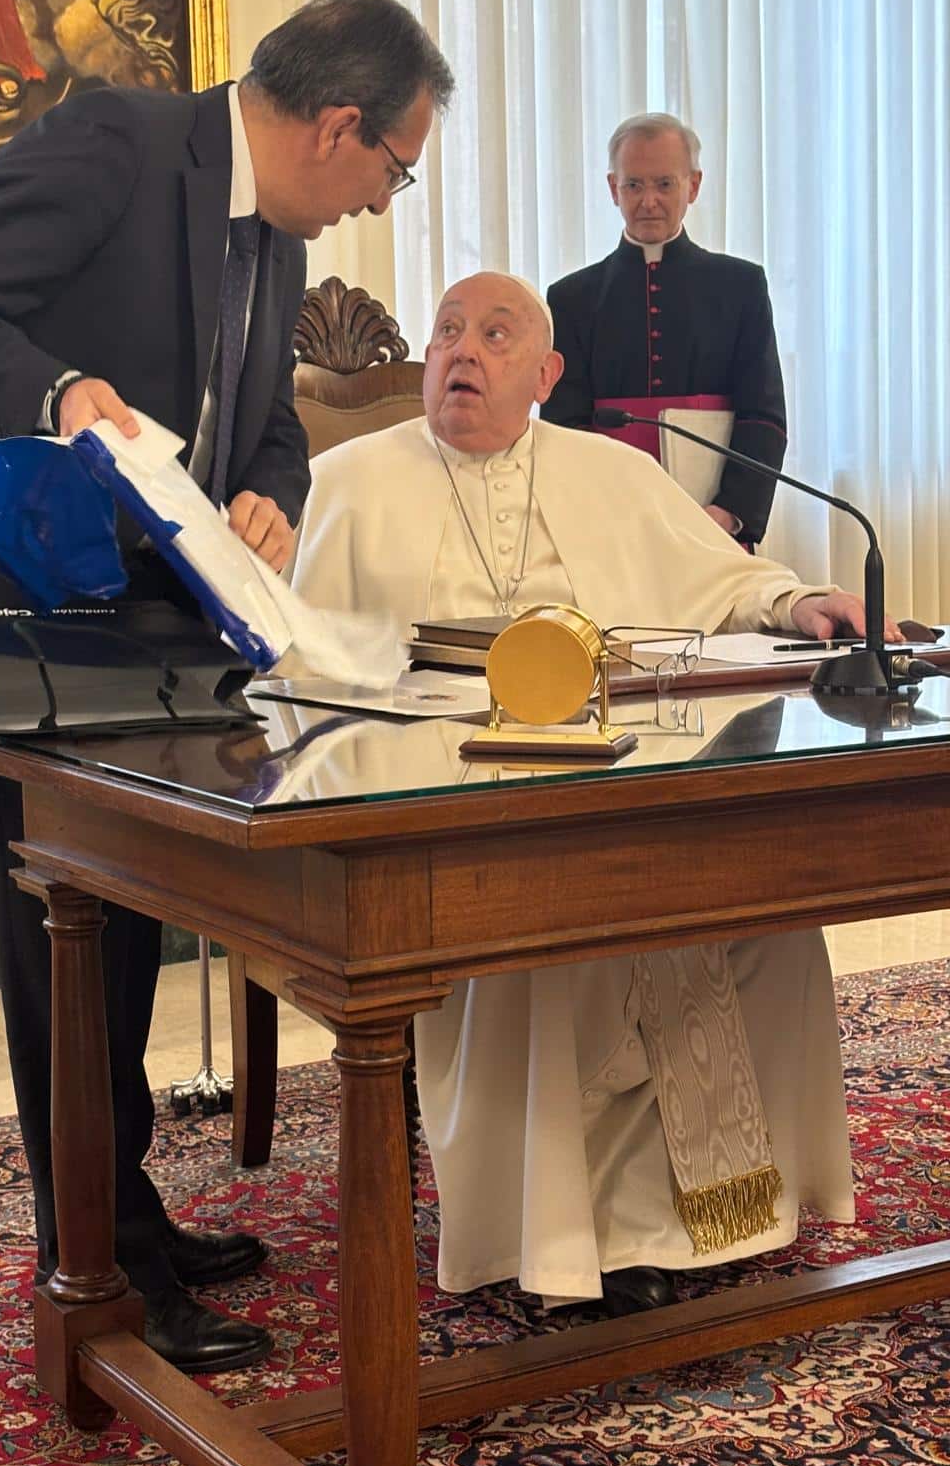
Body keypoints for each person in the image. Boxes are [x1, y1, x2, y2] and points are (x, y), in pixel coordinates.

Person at [0, 0, 454, 1371]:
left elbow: (275, 429)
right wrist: (58, 386)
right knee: (54, 938)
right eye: (395, 166)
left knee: (120, 920)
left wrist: (266, 490)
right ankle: (101, 1265)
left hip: (133, 620)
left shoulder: (281, 241)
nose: (384, 199)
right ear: (338, 124)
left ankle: (125, 1212)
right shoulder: (120, 144)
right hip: (3, 604)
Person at [290, 271, 900, 1313]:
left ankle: (736, 1214)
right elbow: (299, 658)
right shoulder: (351, 478)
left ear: (547, 373)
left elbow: (721, 577)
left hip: (624, 774)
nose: (461, 352)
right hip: (447, 805)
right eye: (446, 333)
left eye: (494, 334)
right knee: (548, 949)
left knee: (762, 914)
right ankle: (580, 1241)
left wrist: (798, 599)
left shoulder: (608, 474)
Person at [541, 113, 787, 547]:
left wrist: (728, 514)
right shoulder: (571, 298)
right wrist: (603, 514)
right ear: (613, 188)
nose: (648, 200)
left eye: (664, 184)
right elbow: (563, 427)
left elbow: (763, 416)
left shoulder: (741, 286)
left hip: (715, 526)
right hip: (608, 528)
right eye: (634, 185)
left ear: (692, 185)